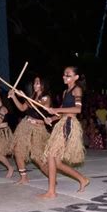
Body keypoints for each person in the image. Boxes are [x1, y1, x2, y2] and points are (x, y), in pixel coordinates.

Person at [40, 66, 89, 199]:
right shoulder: (65, 92)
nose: (64, 76)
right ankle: (82, 179)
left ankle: (51, 191)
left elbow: (78, 110)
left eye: (68, 74)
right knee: (57, 162)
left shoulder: (77, 89)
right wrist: (52, 117)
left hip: (69, 124)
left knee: (51, 155)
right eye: (64, 74)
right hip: (62, 122)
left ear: (76, 77)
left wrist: (56, 109)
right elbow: (62, 112)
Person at [8, 76, 51, 185]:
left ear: (43, 85)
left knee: (37, 157)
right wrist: (14, 97)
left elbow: (37, 104)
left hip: (37, 128)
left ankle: (52, 178)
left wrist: (23, 96)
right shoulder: (32, 96)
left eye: (37, 83)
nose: (34, 85)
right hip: (26, 125)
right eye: (34, 83)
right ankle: (24, 178)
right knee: (18, 150)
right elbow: (22, 108)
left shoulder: (46, 98)